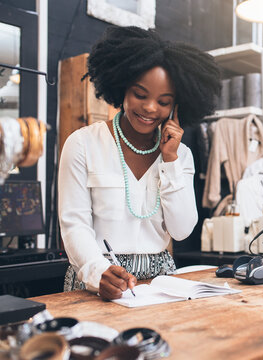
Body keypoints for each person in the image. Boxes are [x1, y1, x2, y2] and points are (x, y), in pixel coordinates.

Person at [58, 26, 221, 300]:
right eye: (140, 94)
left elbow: (181, 231)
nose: (150, 108)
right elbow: (74, 224)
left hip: (162, 284)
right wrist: (98, 272)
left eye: (164, 101)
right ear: (122, 88)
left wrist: (170, 160)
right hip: (97, 279)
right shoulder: (82, 144)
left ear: (176, 107)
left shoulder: (181, 155)